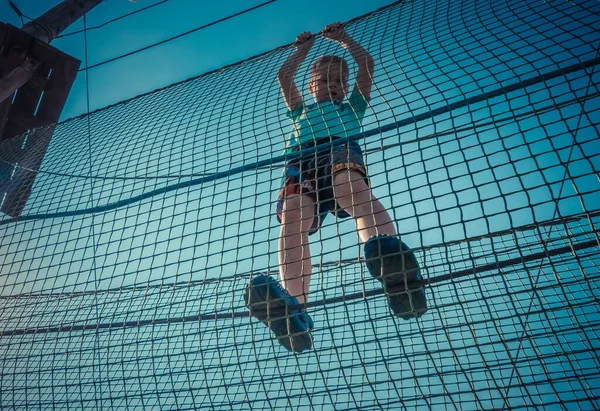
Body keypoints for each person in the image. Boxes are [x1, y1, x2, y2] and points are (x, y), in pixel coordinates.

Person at [244, 22, 427, 353]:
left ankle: (392, 261)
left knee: (349, 187)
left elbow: (366, 65)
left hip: (339, 149)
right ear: (312, 86)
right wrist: (302, 51)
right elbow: (284, 77)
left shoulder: (352, 108)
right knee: (293, 217)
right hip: (301, 161)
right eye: (325, 81)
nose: (333, 86)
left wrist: (344, 40)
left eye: (339, 82)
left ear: (346, 88)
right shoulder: (300, 110)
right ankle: (295, 309)